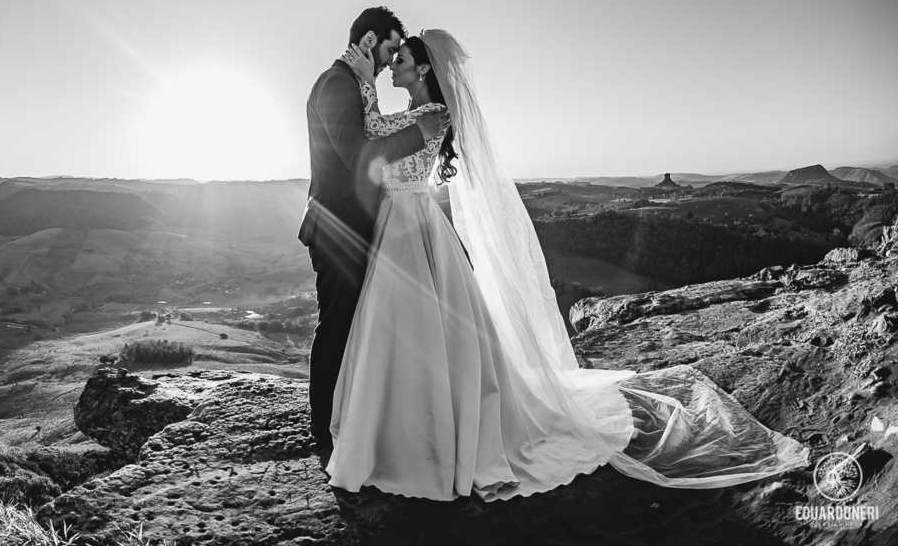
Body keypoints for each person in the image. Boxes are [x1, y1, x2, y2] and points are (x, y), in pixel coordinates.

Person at [326, 29, 809, 500]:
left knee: (419, 326)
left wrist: (362, 76)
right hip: (402, 221)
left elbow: (371, 133)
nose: (394, 64)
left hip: (410, 220)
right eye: (393, 60)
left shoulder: (431, 112)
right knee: (406, 327)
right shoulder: (415, 111)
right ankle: (404, 424)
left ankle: (423, 433)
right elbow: (379, 138)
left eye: (402, 59)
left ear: (424, 67)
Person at [299, 7, 451, 449]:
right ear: (368, 42)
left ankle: (363, 423)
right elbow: (359, 156)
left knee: (362, 328)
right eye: (387, 50)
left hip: (364, 226)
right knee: (338, 327)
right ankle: (326, 435)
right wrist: (419, 133)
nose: (388, 62)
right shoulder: (335, 84)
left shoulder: (357, 86)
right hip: (337, 230)